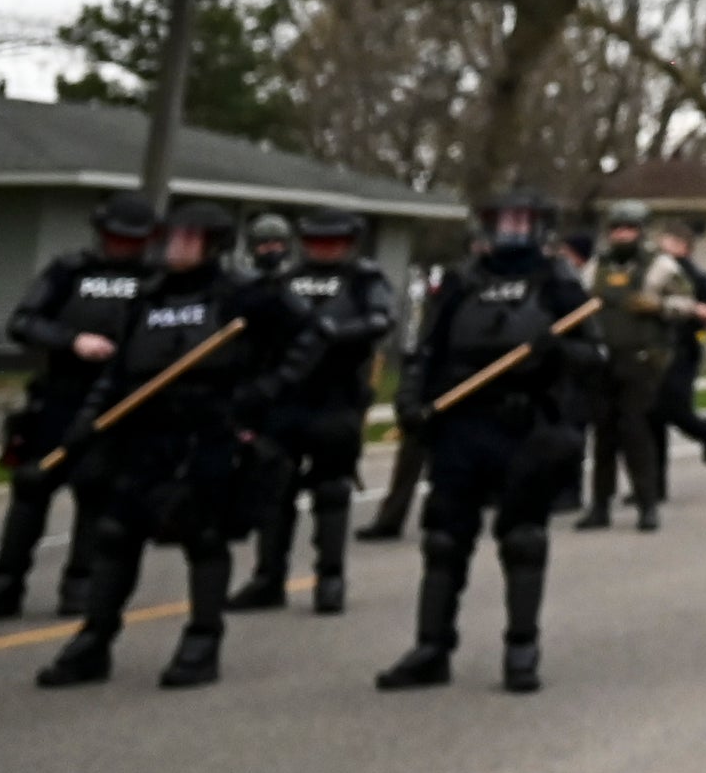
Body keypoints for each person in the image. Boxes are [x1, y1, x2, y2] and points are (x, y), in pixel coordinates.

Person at [36, 198, 319, 689]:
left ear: (213, 245)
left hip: (207, 431)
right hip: (144, 432)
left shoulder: (244, 294)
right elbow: (119, 370)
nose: (177, 246)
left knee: (202, 535)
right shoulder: (149, 295)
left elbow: (313, 337)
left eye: (189, 238)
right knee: (116, 534)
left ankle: (202, 639)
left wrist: (261, 394)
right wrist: (89, 421)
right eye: (173, 237)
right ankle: (94, 640)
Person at [376, 191, 602, 696]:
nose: (512, 230)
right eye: (503, 221)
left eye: (523, 221)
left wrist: (557, 349)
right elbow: (425, 351)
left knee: (522, 540)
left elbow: (595, 357)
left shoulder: (558, 283)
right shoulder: (461, 282)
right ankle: (431, 647)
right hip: (461, 425)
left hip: (524, 428)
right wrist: (411, 401)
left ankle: (521, 648)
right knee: (443, 539)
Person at [0, 191, 155, 621]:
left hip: (119, 406)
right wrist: (72, 341)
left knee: (96, 494)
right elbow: (22, 322)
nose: (121, 246)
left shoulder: (157, 280)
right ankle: (4, 585)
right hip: (58, 399)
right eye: (114, 237)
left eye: (131, 240)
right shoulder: (69, 271)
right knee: (31, 490)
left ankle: (80, 584)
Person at [228, 204, 397, 616]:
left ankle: (330, 578)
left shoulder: (364, 279)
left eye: (333, 241)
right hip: (285, 399)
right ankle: (269, 578)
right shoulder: (284, 280)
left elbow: (381, 320)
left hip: (336, 398)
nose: (324, 249)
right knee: (274, 489)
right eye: (316, 241)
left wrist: (336, 333)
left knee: (332, 490)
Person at [575, 199, 689, 531]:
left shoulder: (662, 267)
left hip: (641, 360)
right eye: (617, 229)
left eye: (629, 229)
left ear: (641, 232)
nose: (622, 235)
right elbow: (580, 303)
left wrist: (657, 306)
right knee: (603, 434)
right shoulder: (596, 266)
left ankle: (647, 504)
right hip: (602, 359)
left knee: (635, 431)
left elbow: (687, 303)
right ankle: (599, 505)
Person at [358, 245, 451, 545]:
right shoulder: (418, 303)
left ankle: (442, 517)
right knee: (411, 448)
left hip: (451, 377)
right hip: (420, 372)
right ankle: (390, 518)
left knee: (449, 458)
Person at [650, 219, 706, 479]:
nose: (664, 247)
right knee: (652, 415)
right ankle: (654, 483)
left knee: (675, 408)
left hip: (683, 348)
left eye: (671, 242)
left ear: (685, 247)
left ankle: (705, 431)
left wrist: (699, 312)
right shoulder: (652, 272)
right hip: (652, 348)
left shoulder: (695, 277)